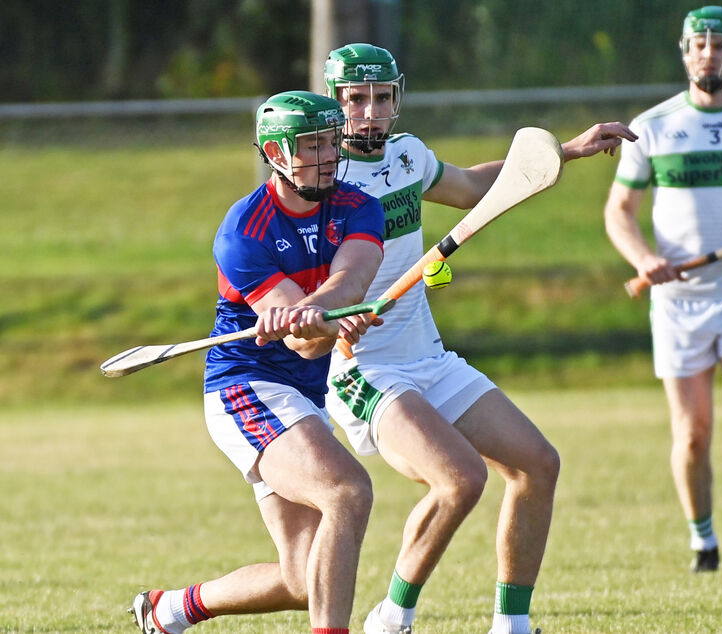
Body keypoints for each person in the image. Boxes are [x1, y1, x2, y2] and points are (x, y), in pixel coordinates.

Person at [321, 43, 637, 634]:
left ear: (397, 101)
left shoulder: (409, 157)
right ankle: (392, 618)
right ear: (336, 104)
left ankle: (511, 626)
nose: (370, 112)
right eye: (356, 100)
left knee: (537, 464)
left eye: (381, 98)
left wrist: (563, 152)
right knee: (461, 478)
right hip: (360, 365)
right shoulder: (322, 180)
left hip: (427, 359)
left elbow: (471, 188)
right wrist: (334, 317)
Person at [128, 90, 386, 634]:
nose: (325, 155)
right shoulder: (244, 232)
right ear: (274, 152)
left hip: (301, 395)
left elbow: (354, 278)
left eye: (328, 141)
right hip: (246, 386)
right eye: (309, 145)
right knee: (348, 490)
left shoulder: (360, 206)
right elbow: (305, 344)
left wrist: (318, 311)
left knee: (300, 577)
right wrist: (318, 322)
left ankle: (167, 610)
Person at [604, 6, 722, 573]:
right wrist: (646, 257)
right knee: (692, 435)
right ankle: (703, 541)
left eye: (721, 46)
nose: (710, 54)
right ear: (685, 51)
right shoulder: (656, 125)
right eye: (701, 45)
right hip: (678, 299)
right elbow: (620, 211)